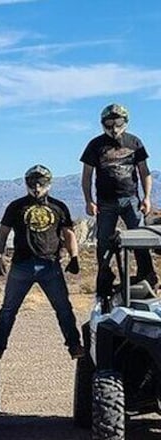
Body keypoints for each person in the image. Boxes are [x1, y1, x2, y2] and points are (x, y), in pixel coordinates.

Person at [0, 165, 83, 360]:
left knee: (63, 307)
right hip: (22, 265)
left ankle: (74, 345)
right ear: (27, 184)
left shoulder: (59, 207)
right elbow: (3, 233)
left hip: (50, 265)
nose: (37, 187)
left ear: (48, 184)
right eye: (33, 183)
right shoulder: (16, 206)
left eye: (41, 183)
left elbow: (68, 233)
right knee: (8, 308)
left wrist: (74, 256)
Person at [80, 103, 156, 296]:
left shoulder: (134, 142)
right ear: (103, 123)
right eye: (109, 123)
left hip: (131, 199)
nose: (114, 127)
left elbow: (144, 172)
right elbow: (87, 175)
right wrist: (89, 200)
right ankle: (105, 281)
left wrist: (146, 197)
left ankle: (147, 277)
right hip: (105, 203)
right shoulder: (95, 145)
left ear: (125, 122)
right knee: (104, 243)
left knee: (141, 240)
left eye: (118, 123)